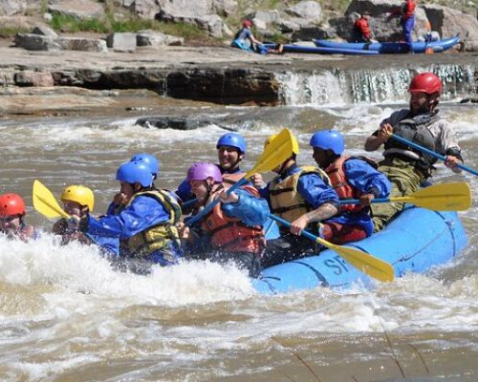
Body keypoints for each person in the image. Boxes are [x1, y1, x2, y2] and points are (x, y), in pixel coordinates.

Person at [364, 72, 463, 231]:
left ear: (433, 98)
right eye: (413, 95)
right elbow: (369, 146)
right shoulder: (397, 117)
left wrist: (453, 161)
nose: (414, 100)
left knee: (384, 202)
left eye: (419, 96)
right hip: (382, 167)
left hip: (409, 173)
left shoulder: (441, 126)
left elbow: (458, 165)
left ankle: (370, 230)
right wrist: (380, 138)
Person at [75, 161, 183, 273]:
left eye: (123, 186)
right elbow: (112, 224)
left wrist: (87, 223)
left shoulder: (147, 203)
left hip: (161, 263)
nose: (121, 191)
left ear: (136, 186)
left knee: (111, 267)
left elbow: (123, 227)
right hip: (148, 260)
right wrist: (116, 206)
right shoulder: (137, 203)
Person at [252, 133, 341, 267]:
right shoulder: (274, 184)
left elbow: (333, 205)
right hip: (286, 240)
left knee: (256, 253)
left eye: (270, 154)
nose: (266, 159)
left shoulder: (305, 179)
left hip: (307, 242)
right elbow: (259, 208)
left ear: (284, 154)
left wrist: (305, 218)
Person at [179, 162, 269, 277]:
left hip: (247, 256)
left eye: (195, 184)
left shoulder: (230, 196)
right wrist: (190, 237)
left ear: (210, 181)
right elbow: (208, 246)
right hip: (226, 257)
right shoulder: (208, 208)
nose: (192, 190)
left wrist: (237, 200)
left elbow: (261, 215)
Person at [309, 130, 391, 240]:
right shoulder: (321, 173)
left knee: (320, 232)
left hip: (355, 223)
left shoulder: (351, 166)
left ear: (329, 152)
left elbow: (380, 180)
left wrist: (372, 194)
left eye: (317, 151)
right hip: (330, 220)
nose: (313, 156)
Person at [176, 132, 247, 206]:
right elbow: (179, 195)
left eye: (230, 150)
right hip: (200, 214)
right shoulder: (204, 171)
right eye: (221, 150)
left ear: (241, 155)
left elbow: (256, 205)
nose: (224, 154)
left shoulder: (247, 179)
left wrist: (259, 189)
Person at [52, 185, 119, 257]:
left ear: (84, 209)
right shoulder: (63, 224)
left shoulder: (100, 226)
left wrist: (87, 241)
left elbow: (112, 256)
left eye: (70, 205)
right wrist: (57, 234)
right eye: (65, 205)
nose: (65, 209)